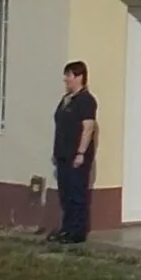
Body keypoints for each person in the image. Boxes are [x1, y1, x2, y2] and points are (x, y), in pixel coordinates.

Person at [48, 61, 98, 245]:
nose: (66, 79)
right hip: (62, 154)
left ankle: (77, 231)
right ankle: (66, 228)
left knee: (77, 193)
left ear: (79, 77)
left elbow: (88, 128)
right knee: (65, 193)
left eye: (69, 75)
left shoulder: (86, 101)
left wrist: (80, 153)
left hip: (76, 156)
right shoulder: (66, 99)